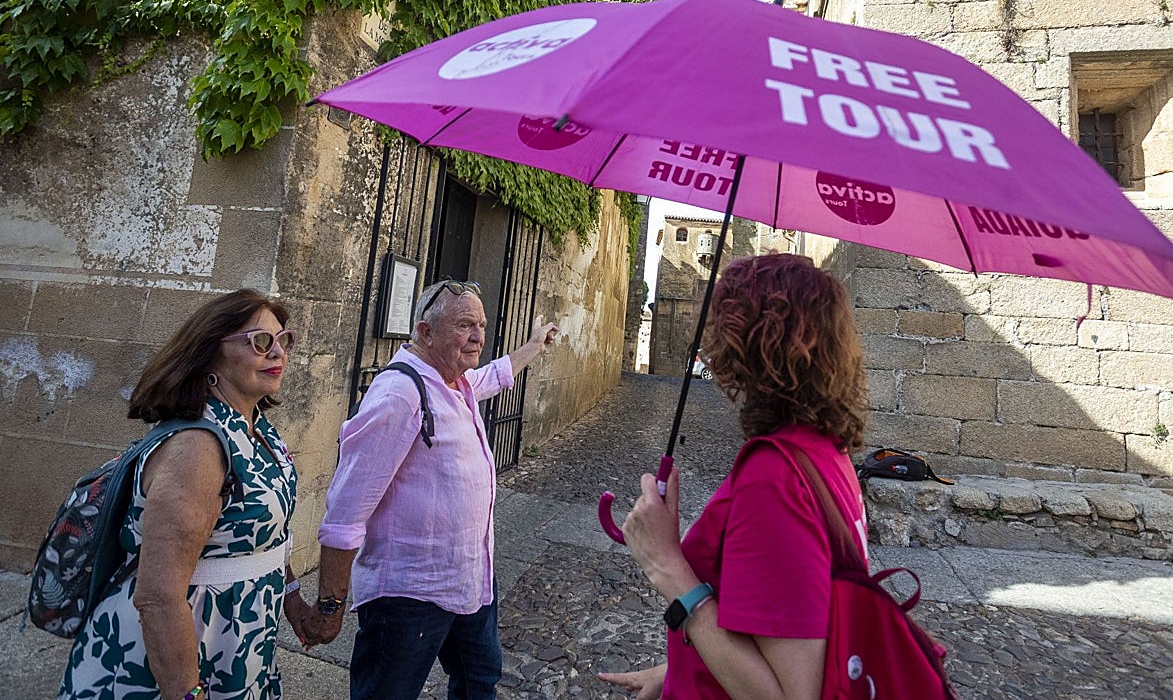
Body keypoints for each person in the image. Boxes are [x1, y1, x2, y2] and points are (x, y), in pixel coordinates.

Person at [598, 253, 870, 700]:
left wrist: (665, 564)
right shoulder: (822, 451)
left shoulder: (776, 477)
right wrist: (681, 669)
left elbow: (792, 694)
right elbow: (779, 632)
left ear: (747, 345)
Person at [302, 278, 559, 700]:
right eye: (464, 325)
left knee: (479, 680)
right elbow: (345, 513)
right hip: (411, 595)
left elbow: (493, 375)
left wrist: (535, 344)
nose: (478, 336)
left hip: (469, 580)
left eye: (481, 324)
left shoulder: (454, 381)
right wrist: (330, 607)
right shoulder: (401, 393)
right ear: (425, 332)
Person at [59, 289, 310, 700]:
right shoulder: (198, 447)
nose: (277, 352)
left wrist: (293, 598)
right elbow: (158, 595)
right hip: (177, 657)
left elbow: (266, 535)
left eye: (284, 340)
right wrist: (187, 693)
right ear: (211, 352)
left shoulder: (257, 428)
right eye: (260, 341)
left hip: (238, 642)